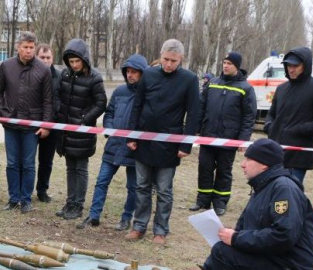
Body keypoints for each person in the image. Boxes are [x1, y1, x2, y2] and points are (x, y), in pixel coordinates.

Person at [184, 139, 313, 270]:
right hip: (284, 267)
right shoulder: (264, 187)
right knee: (225, 250)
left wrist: (236, 238)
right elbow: (241, 232)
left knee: (224, 253)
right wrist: (207, 268)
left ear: (264, 164)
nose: (242, 163)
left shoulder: (283, 189)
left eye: (248, 158)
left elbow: (284, 235)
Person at [125, 39, 200, 245]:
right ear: (161, 55)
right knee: (141, 186)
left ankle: (161, 229)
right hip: (144, 139)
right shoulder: (148, 74)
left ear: (181, 59)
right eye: (166, 59)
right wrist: (132, 135)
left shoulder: (190, 79)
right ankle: (139, 226)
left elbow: (193, 114)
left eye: (173, 61)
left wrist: (186, 144)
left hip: (170, 143)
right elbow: (137, 105)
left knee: (164, 190)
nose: (168, 64)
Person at [78, 54, 148, 231]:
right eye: (128, 72)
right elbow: (109, 113)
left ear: (142, 73)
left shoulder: (147, 95)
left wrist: (138, 139)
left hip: (135, 149)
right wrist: (109, 129)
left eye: (134, 72)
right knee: (101, 181)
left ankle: (126, 218)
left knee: (133, 187)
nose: (130, 75)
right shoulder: (119, 92)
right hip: (114, 146)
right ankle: (94, 216)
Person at [190, 51, 256, 216]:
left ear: (237, 67)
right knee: (204, 167)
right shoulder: (212, 83)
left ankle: (220, 202)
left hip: (229, 139)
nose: (226, 66)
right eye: (224, 63)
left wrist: (243, 139)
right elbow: (201, 106)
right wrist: (197, 128)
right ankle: (202, 200)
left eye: (230, 64)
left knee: (224, 170)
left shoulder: (246, 88)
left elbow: (249, 116)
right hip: (208, 135)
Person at [0, 31, 53, 214]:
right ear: (18, 47)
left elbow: (47, 101)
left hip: (32, 126)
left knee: (28, 164)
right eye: (25, 47)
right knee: (12, 163)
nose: (29, 51)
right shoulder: (6, 66)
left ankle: (26, 199)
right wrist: (1, 112)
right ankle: (13, 198)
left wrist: (45, 125)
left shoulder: (43, 69)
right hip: (11, 124)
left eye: (31, 47)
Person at [54, 38, 107, 220]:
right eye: (71, 61)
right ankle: (70, 202)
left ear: (84, 60)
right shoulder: (65, 75)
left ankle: (78, 205)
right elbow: (58, 96)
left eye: (77, 61)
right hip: (66, 130)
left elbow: (101, 104)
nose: (74, 65)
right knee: (70, 168)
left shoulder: (95, 78)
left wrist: (85, 119)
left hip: (83, 132)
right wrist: (60, 112)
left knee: (81, 168)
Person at [264, 46, 313, 183]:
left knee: (289, 196)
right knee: (269, 193)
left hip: (298, 156)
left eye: (295, 65)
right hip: (275, 153)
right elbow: (271, 113)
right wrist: (269, 127)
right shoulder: (281, 88)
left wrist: (299, 130)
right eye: (288, 65)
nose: (291, 69)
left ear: (305, 66)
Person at [34, 43, 61, 203]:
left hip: (52, 126)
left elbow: (58, 102)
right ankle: (25, 189)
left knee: (46, 161)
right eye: (42, 57)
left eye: (48, 57)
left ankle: (42, 190)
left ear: (53, 58)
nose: (45, 60)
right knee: (28, 161)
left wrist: (49, 124)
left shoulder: (59, 77)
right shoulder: (30, 74)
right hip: (31, 124)